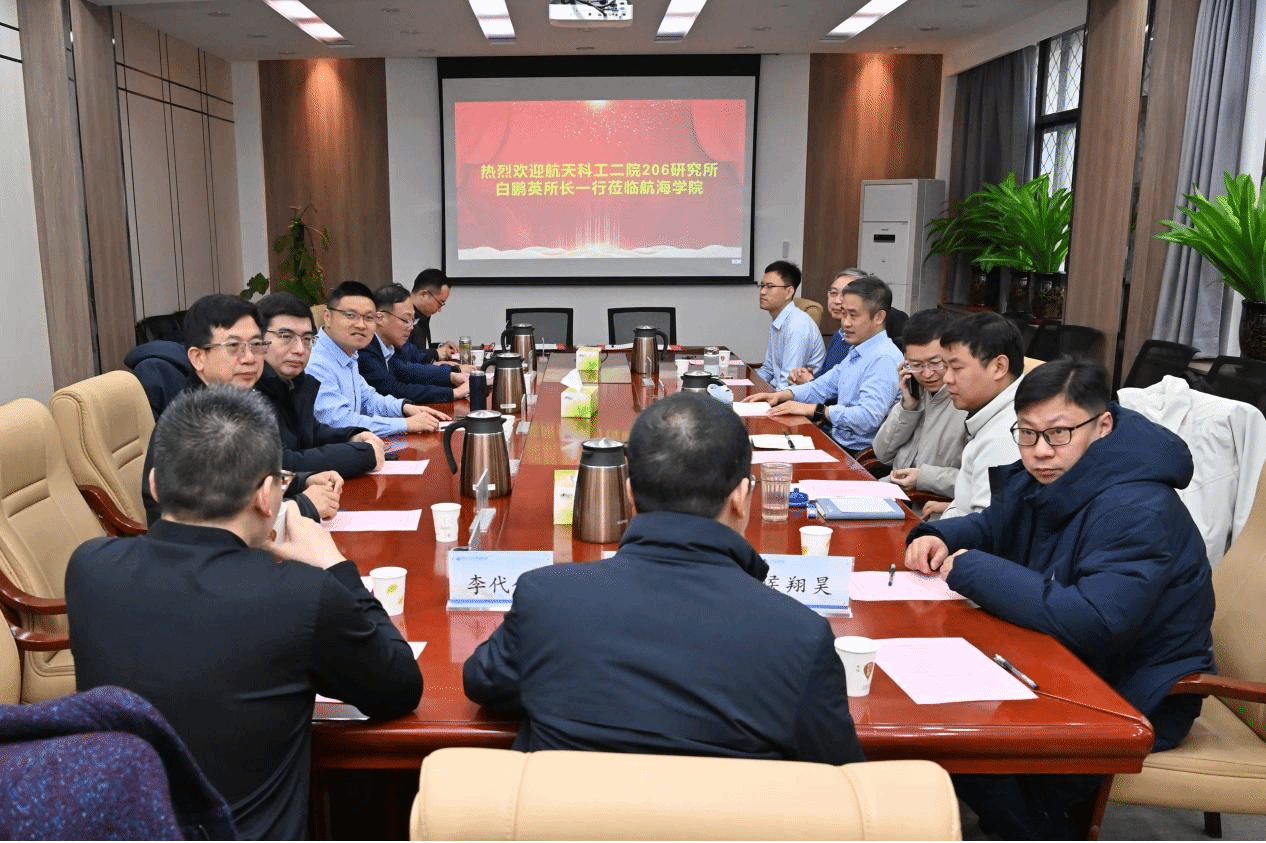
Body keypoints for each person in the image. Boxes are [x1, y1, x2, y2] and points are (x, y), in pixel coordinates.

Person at [66, 386, 423, 841]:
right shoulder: (302, 595)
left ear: (154, 485)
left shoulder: (89, 568)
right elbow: (399, 688)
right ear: (267, 497)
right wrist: (334, 565)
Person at [463, 392, 864, 765]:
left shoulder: (546, 599)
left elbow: (484, 683)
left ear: (629, 494)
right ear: (741, 496)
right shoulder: (800, 637)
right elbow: (842, 779)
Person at [904, 358, 1214, 840]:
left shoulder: (1136, 507)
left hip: (1136, 687)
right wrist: (940, 536)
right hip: (1067, 663)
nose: (1040, 451)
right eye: (1027, 434)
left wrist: (975, 570)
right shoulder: (1063, 472)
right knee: (943, 722)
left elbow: (1096, 620)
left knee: (968, 745)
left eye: (1058, 433)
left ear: (1102, 425)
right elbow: (995, 526)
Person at [139, 294, 341, 525]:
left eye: (256, 345)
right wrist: (305, 505)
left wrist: (304, 481)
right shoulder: (192, 426)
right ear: (198, 358)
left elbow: (252, 478)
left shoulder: (239, 402)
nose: (249, 358)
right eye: (234, 346)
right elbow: (219, 521)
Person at [745, 275, 902, 455]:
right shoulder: (858, 350)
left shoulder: (883, 358)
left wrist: (816, 410)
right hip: (837, 442)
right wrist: (783, 395)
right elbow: (822, 386)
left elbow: (867, 417)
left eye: (853, 315)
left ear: (879, 317)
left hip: (858, 454)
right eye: (844, 314)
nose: (845, 323)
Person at [254, 292, 384, 478]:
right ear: (258, 339)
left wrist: (351, 436)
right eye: (285, 336)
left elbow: (310, 431)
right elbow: (281, 464)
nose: (300, 349)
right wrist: (363, 455)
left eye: (307, 339)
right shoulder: (249, 389)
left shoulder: (295, 382)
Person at [306, 281, 451, 437]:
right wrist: (405, 424)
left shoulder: (348, 353)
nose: (361, 325)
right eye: (351, 316)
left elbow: (368, 400)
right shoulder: (315, 361)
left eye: (368, 318)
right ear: (327, 317)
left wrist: (405, 408)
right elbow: (339, 421)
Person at [933, 311, 1025, 520]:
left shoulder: (1007, 434)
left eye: (956, 368)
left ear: (999, 367)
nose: (946, 378)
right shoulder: (992, 412)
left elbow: (987, 529)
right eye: (945, 367)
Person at [870, 308, 968, 501]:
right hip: (892, 494)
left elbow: (979, 482)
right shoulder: (918, 394)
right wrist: (907, 408)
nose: (927, 374)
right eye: (915, 365)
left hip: (926, 505)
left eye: (936, 363)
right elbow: (882, 453)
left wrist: (923, 478)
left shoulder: (967, 401)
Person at [359, 283, 469, 404]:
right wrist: (453, 393)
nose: (411, 327)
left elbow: (407, 372)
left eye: (413, 320)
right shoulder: (364, 349)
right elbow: (393, 390)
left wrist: (450, 376)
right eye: (406, 320)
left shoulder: (388, 346)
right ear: (380, 318)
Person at [787, 267, 868, 385]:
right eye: (833, 293)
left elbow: (844, 390)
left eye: (846, 294)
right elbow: (825, 376)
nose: (837, 301)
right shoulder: (839, 334)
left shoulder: (863, 341)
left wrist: (809, 381)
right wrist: (804, 376)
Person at [755, 260, 825, 390]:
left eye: (770, 286)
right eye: (762, 285)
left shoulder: (797, 325)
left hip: (796, 397)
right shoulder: (778, 320)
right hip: (778, 390)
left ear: (789, 292)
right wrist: (746, 382)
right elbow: (768, 369)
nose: (762, 292)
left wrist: (765, 398)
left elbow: (788, 382)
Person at [407, 267, 458, 362]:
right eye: (440, 303)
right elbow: (407, 356)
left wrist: (442, 347)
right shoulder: (403, 316)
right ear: (424, 294)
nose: (440, 309)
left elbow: (421, 348)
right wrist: (435, 353)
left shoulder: (422, 315)